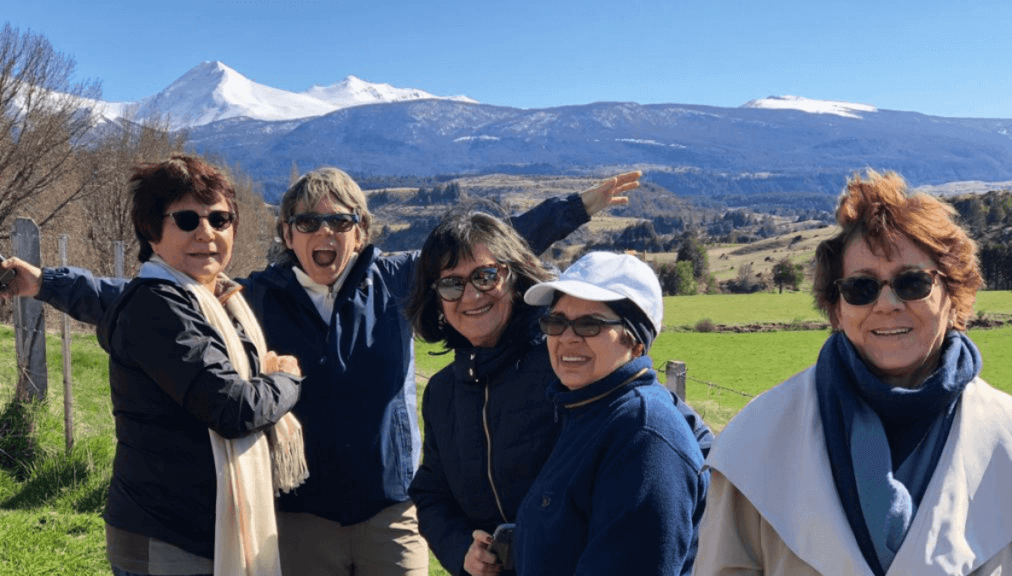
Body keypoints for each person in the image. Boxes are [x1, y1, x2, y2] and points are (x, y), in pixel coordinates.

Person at [2, 167, 643, 576]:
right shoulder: (250, 296)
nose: (324, 231)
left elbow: (491, 245)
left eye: (340, 220)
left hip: (390, 511)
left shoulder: (397, 279)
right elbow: (130, 300)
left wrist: (576, 206)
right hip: (301, 515)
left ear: (360, 231)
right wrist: (45, 282)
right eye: (308, 221)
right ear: (288, 233)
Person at [693, 170, 1012, 575]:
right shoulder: (756, 439)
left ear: (954, 295)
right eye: (861, 288)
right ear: (836, 308)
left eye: (912, 283)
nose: (887, 304)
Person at [8, 155, 306, 576]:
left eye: (220, 219)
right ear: (152, 230)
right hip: (169, 537)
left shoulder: (205, 296)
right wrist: (285, 379)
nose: (206, 232)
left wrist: (44, 282)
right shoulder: (158, 304)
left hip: (197, 528)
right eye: (187, 220)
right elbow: (231, 408)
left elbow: (107, 293)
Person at [406, 216, 713, 576]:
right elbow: (431, 492)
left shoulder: (574, 374)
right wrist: (463, 551)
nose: (471, 295)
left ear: (514, 277)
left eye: (485, 277)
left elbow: (679, 443)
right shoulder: (447, 392)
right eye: (451, 284)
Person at [507, 251, 707, 576]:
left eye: (590, 324)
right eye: (555, 321)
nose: (567, 337)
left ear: (636, 341)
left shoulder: (643, 436)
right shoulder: (587, 410)